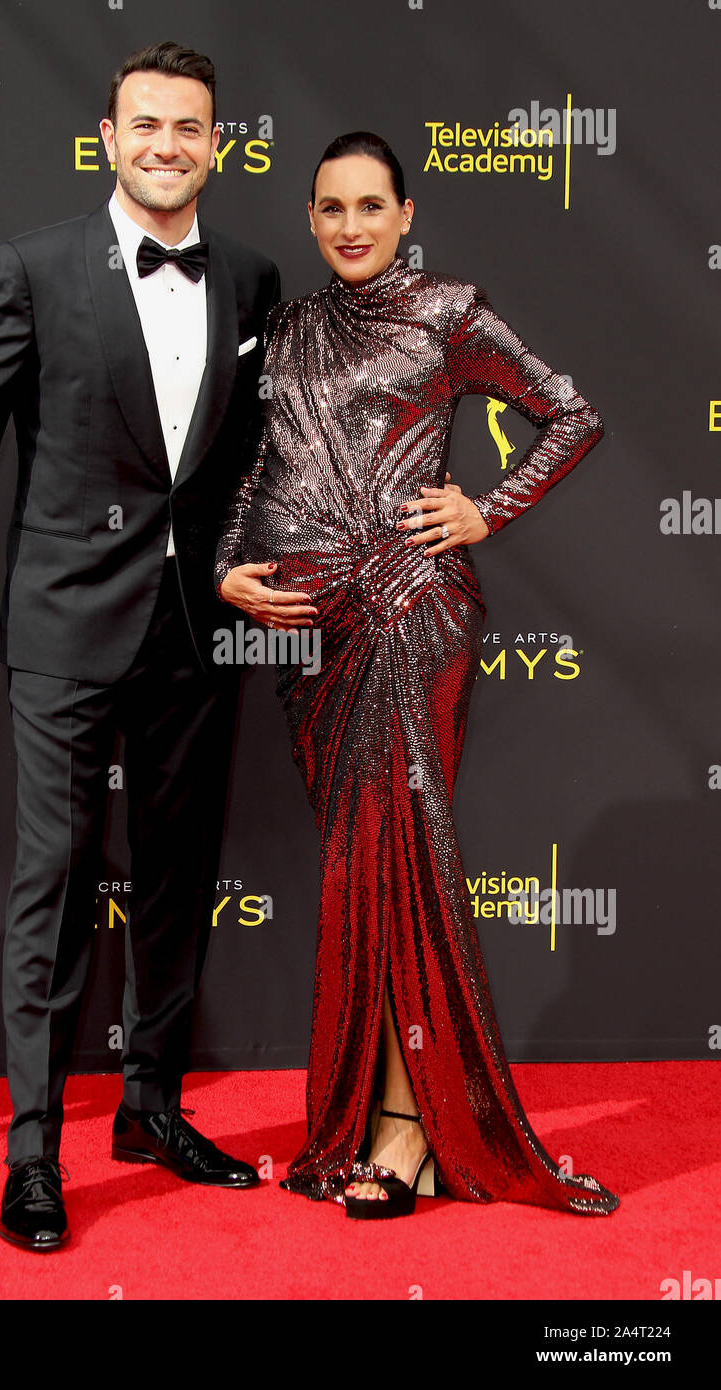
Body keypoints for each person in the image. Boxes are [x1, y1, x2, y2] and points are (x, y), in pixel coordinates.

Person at [0, 41, 282, 1250]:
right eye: (146, 125)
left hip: (197, 631)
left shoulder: (254, 277)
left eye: (190, 127)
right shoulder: (33, 268)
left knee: (177, 881)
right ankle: (32, 1154)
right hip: (64, 627)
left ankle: (153, 1107)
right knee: (53, 889)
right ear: (109, 138)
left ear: (214, 145)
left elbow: (257, 460)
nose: (168, 144)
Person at [215, 131, 619, 1219]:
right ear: (311, 218)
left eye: (368, 206)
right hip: (319, 638)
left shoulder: (446, 310)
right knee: (363, 876)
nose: (348, 225)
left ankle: (403, 1128)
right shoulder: (293, 326)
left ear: (404, 214)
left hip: (410, 615)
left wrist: (487, 506)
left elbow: (569, 412)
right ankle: (410, 1116)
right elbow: (266, 462)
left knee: (400, 868)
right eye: (328, 207)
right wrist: (223, 571)